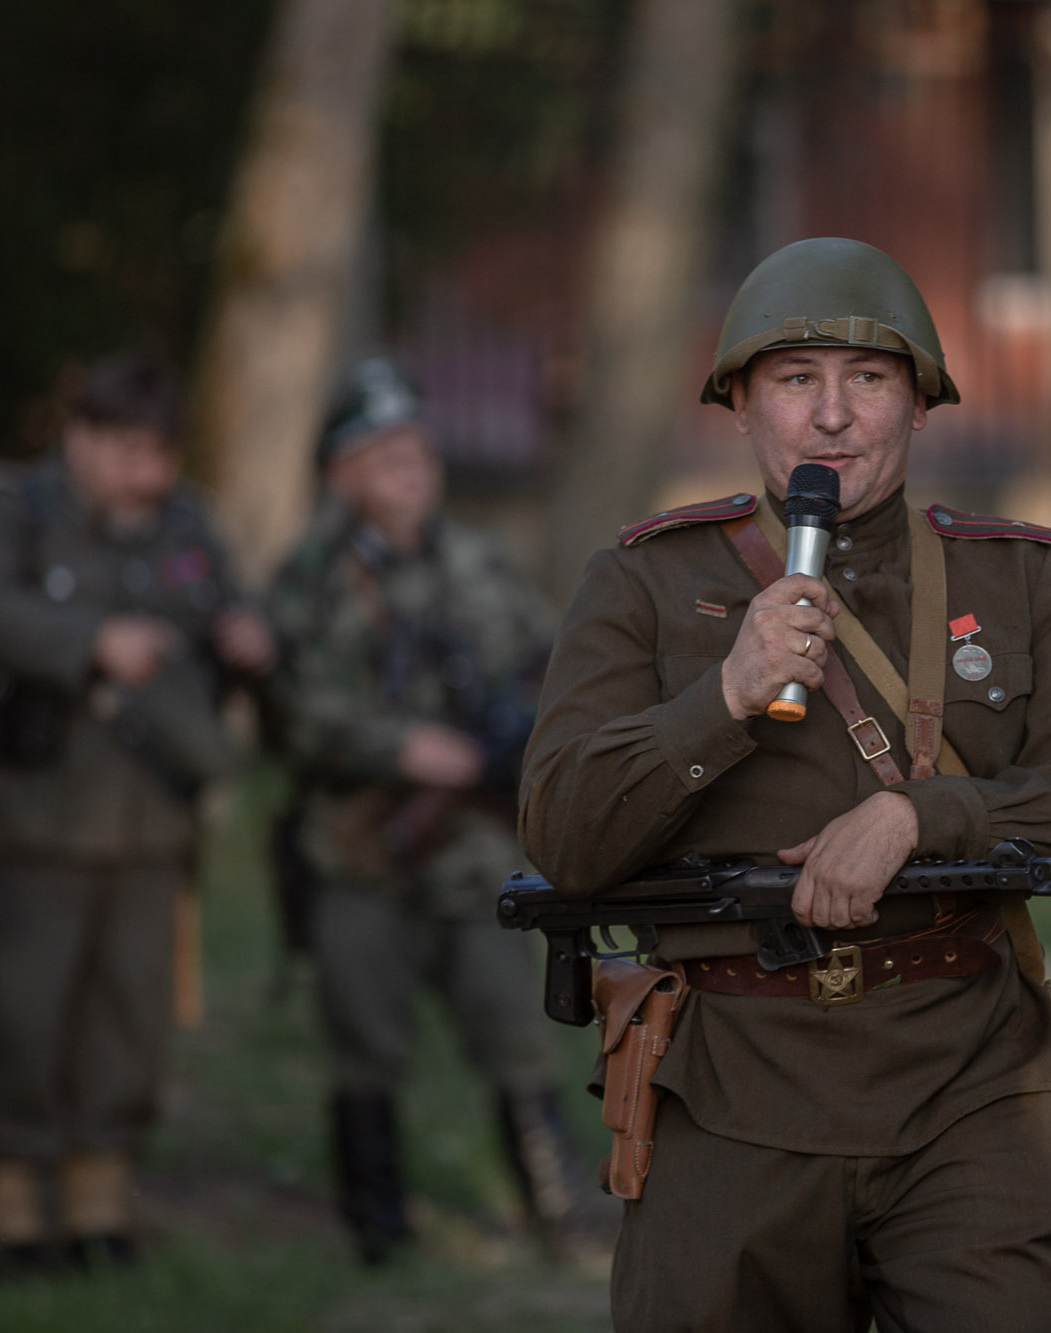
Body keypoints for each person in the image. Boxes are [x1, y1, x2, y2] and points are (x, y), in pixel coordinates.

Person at [519, 237, 1051, 1331]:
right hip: (729, 1082)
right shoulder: (643, 583)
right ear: (739, 406)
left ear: (918, 406)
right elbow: (564, 834)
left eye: (866, 379)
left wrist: (923, 813)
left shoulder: (1019, 577)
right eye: (793, 380)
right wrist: (721, 694)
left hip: (968, 1077)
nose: (830, 417)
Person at [0, 353, 275, 1277]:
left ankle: (100, 1192)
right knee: (18, 1018)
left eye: (160, 453)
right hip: (24, 817)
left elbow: (218, 598)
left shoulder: (185, 518)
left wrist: (242, 630)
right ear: (76, 436)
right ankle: (11, 1200)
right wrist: (90, 643)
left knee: (127, 1018)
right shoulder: (10, 505)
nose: (147, 474)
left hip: (147, 822)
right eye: (126, 451)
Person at [265, 356, 591, 1265]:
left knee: (516, 1034)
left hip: (478, 854)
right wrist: (398, 748)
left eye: (417, 447)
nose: (410, 465)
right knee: (364, 1042)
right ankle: (377, 1229)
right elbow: (291, 710)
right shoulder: (308, 580)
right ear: (340, 474)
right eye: (382, 452)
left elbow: (554, 668)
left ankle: (557, 1213)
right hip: (358, 849)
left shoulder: (486, 560)